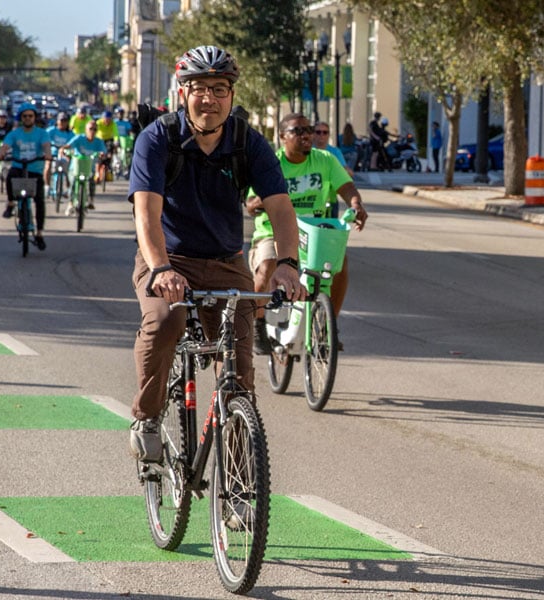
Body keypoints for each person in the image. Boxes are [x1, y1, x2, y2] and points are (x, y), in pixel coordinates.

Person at [126, 45, 305, 462]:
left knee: (238, 372)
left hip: (227, 262)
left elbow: (280, 208)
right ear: (183, 93)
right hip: (168, 259)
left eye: (219, 88)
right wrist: (161, 268)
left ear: (231, 94)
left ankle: (240, 481)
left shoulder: (248, 143)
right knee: (165, 321)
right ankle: (147, 417)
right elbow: (146, 214)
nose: (210, 98)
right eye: (199, 88)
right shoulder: (158, 139)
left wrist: (288, 265)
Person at [245, 113, 368, 353]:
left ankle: (327, 326)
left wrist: (356, 204)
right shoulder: (271, 163)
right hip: (274, 231)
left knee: (339, 263)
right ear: (282, 137)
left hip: (312, 232)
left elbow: (347, 188)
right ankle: (258, 323)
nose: (306, 136)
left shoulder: (325, 160)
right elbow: (250, 203)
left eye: (309, 130)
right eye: (298, 131)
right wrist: (258, 202)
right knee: (268, 264)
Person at [0, 102, 51, 251]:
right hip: (19, 168)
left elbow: (46, 145)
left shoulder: (42, 133)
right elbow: (5, 146)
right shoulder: (15, 134)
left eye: (30, 116)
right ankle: (10, 203)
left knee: (39, 201)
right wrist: (0, 154)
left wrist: (48, 155)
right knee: (9, 176)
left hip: (35, 170)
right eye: (24, 116)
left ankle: (39, 233)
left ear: (35, 117)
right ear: (21, 118)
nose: (27, 118)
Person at [61, 118, 107, 214]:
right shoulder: (79, 138)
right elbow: (68, 146)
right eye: (90, 129)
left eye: (95, 129)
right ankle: (70, 204)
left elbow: (103, 152)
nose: (92, 131)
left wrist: (102, 154)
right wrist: (63, 149)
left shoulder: (99, 142)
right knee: (73, 183)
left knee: (92, 181)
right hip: (76, 167)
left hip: (89, 168)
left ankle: (90, 200)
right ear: (86, 130)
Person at [45, 112, 76, 199]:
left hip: (65, 155)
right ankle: (47, 186)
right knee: (48, 165)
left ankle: (69, 188)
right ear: (57, 121)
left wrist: (70, 152)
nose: (63, 123)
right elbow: (44, 139)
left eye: (65, 121)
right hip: (53, 153)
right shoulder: (51, 131)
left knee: (70, 168)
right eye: (61, 120)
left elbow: (74, 144)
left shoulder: (70, 134)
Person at [94, 110, 118, 182]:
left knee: (110, 151)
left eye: (109, 119)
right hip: (100, 139)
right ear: (102, 118)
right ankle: (97, 173)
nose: (107, 121)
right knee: (99, 157)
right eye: (106, 119)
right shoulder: (98, 123)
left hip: (109, 139)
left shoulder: (113, 124)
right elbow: (94, 131)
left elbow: (116, 133)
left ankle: (108, 168)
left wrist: (116, 141)